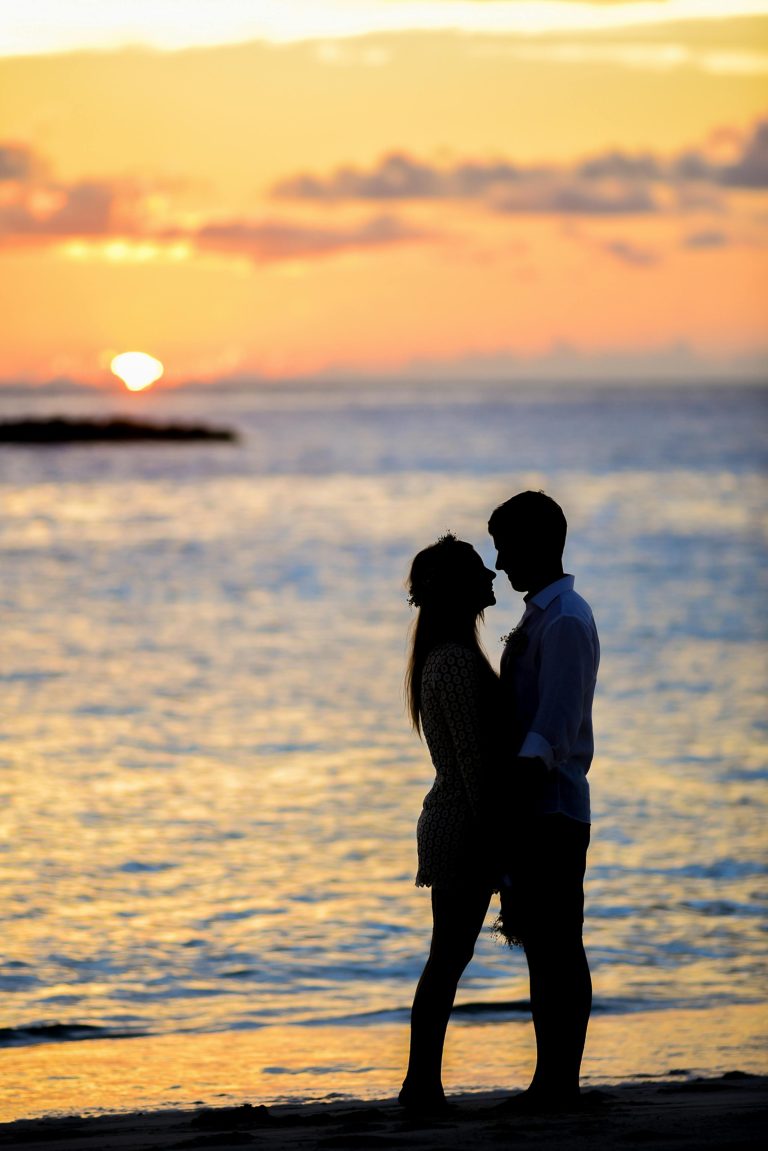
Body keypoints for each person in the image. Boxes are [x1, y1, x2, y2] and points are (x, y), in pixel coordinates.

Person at [489, 490, 600, 1113]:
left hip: (551, 806)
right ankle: (551, 1078)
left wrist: (511, 794)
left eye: (505, 546)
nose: (499, 561)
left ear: (535, 545)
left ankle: (560, 1081)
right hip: (541, 805)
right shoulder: (546, 614)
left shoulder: (563, 620)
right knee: (546, 945)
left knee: (560, 944)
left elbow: (553, 728)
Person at [400, 533, 501, 1115]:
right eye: (479, 572)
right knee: (447, 957)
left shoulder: (444, 657)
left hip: (453, 820)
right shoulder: (458, 664)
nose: (492, 577)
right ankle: (421, 1086)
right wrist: (501, 844)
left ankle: (423, 1084)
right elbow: (475, 769)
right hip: (462, 825)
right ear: (460, 590)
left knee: (447, 956)